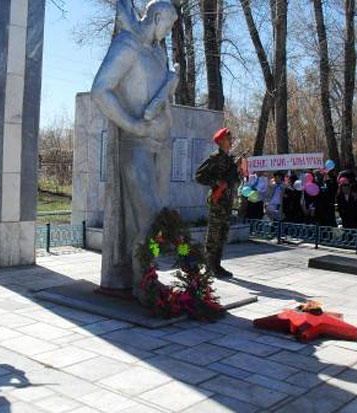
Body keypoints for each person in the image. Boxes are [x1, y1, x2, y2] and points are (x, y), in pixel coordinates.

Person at [91, 0, 178, 298]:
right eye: (168, 24)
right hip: (135, 144)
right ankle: (145, 282)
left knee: (157, 219)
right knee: (149, 218)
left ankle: (148, 271)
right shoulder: (127, 45)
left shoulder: (158, 53)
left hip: (161, 146)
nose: (168, 31)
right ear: (156, 17)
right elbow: (100, 89)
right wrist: (130, 124)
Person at [195, 127, 245, 279]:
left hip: (227, 200)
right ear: (221, 140)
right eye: (228, 138)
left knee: (223, 233)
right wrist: (217, 182)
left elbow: (234, 180)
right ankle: (210, 266)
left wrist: (239, 173)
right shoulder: (215, 157)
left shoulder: (230, 159)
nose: (231, 141)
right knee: (214, 233)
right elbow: (199, 176)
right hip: (217, 200)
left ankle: (217, 264)